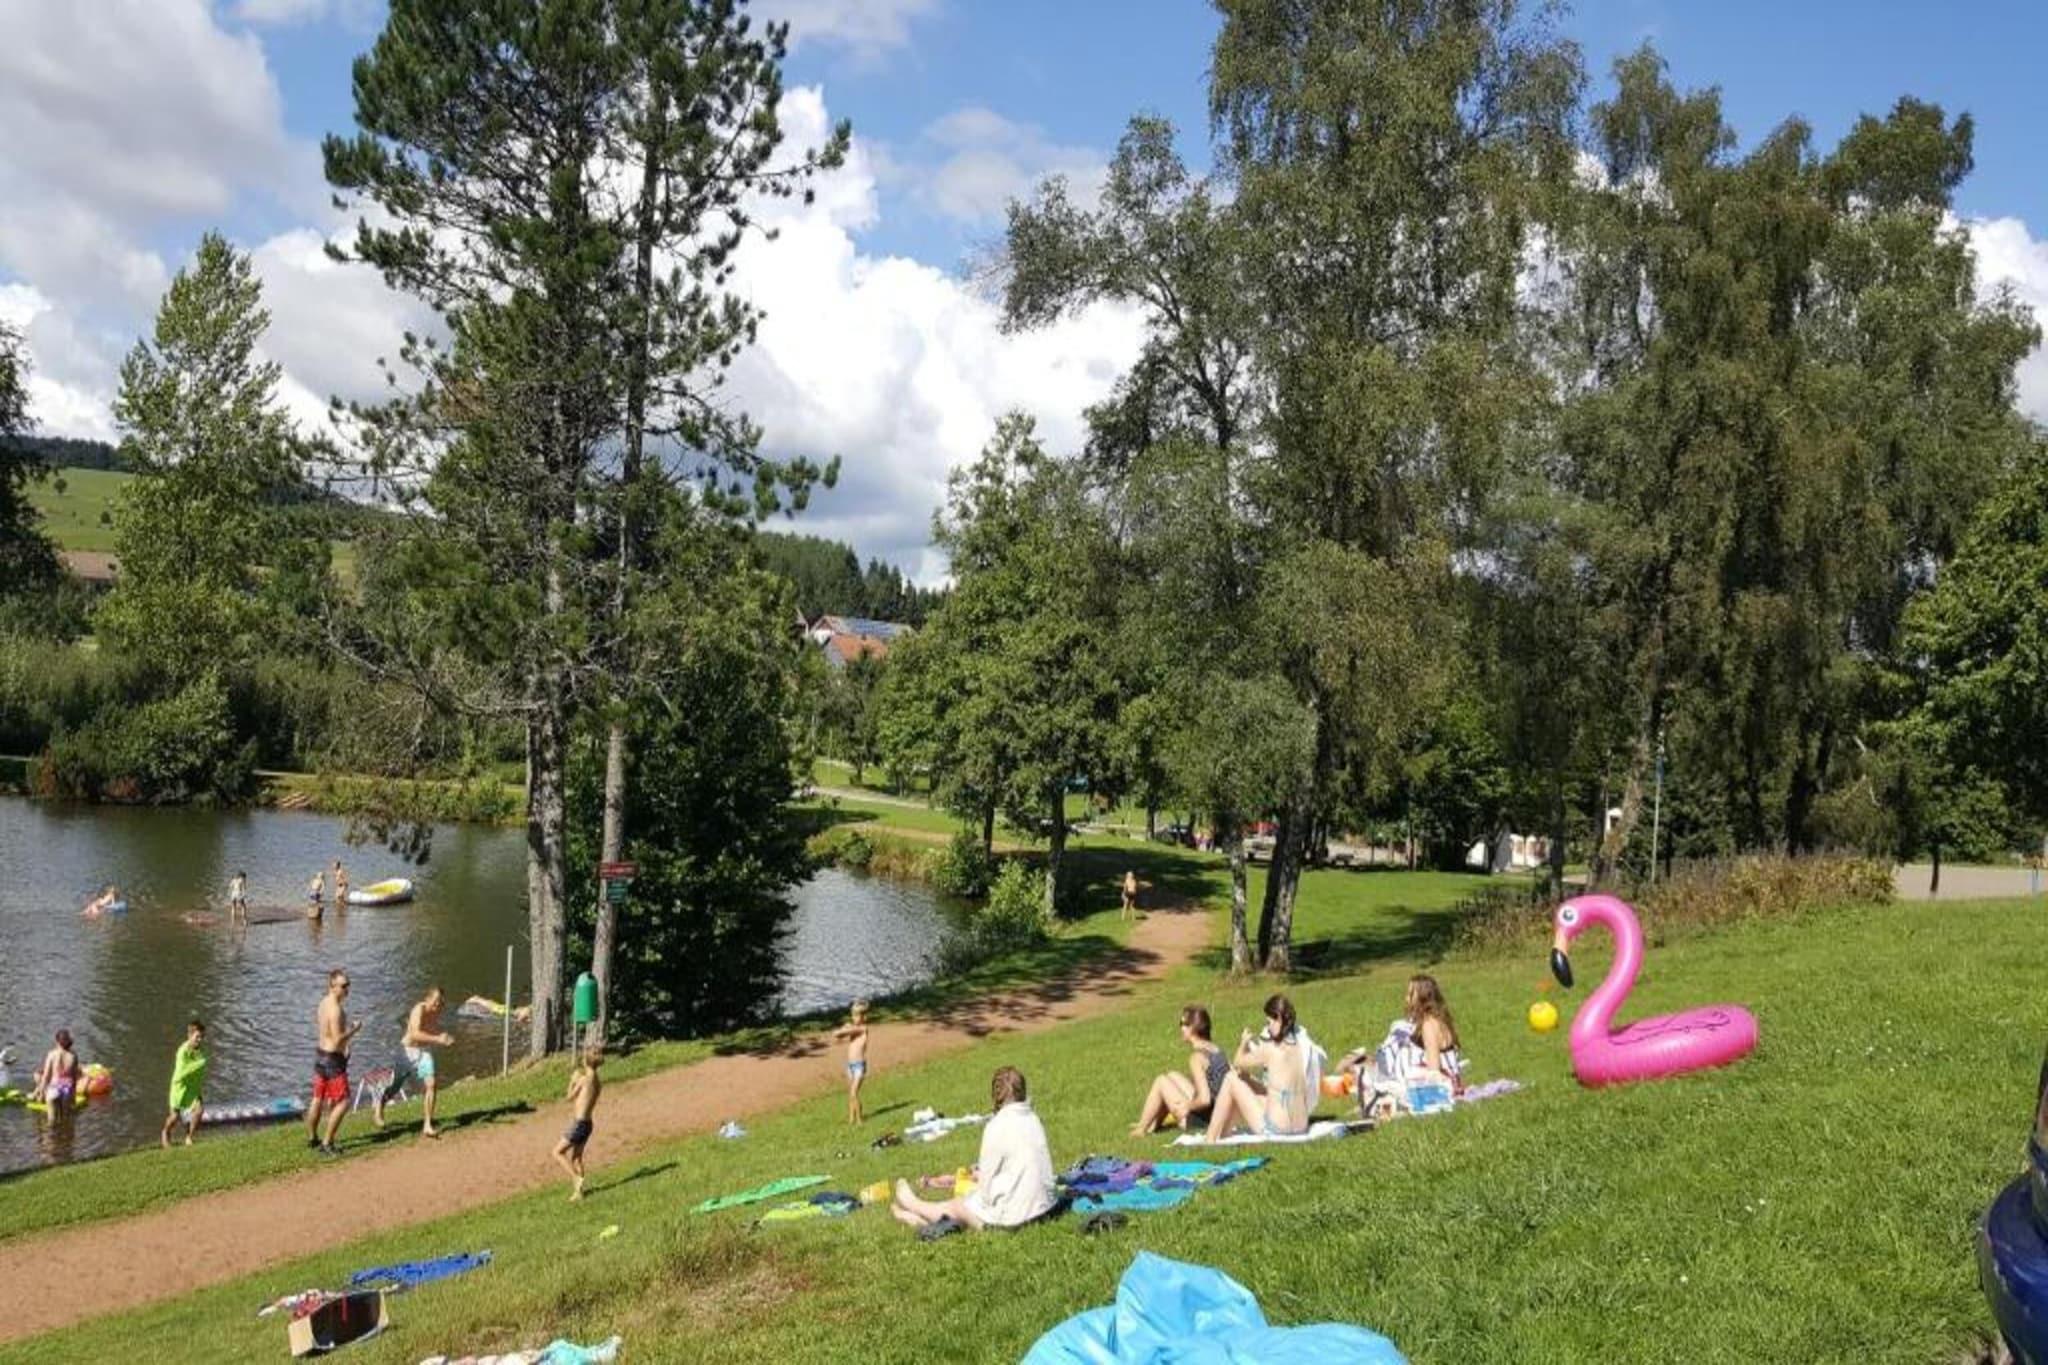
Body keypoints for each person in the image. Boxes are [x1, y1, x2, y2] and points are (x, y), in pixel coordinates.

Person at [892, 1066, 1056, 1234]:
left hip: (1014, 1220)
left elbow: (986, 1190)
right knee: (969, 1202)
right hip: (1045, 1209)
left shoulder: (996, 1126)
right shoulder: (1033, 1118)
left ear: (995, 1096)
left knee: (959, 1205)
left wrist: (976, 1183)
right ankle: (916, 1219)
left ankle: (914, 1205)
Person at [1205, 994, 1312, 1141]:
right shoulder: (1299, 1047)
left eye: (1269, 1022)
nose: (1268, 1028)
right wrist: (1249, 1080)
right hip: (1300, 1127)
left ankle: (1209, 1138)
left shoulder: (1271, 1049)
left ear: (1279, 1019)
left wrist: (1243, 1043)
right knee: (1245, 1080)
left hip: (1277, 1130)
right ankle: (1224, 1134)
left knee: (1231, 1078)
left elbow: (1237, 1062)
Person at [1130, 1004, 1230, 1136]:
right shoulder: (1216, 1049)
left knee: (1161, 1081)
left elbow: (1205, 1099)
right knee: (1172, 1075)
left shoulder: (1197, 1057)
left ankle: (1141, 1129)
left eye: (1183, 1023)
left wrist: (1187, 1106)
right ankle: (1152, 1124)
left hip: (1202, 1122)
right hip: (1218, 1113)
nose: (1181, 1028)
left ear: (1193, 1028)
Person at [373, 985, 454, 1136]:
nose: (438, 1004)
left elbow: (432, 1027)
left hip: (424, 1053)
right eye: (436, 1000)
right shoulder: (419, 1009)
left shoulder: (437, 1011)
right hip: (407, 1053)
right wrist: (437, 1039)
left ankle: (427, 1125)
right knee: (395, 1086)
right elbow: (415, 1034)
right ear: (427, 998)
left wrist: (444, 1036)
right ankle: (380, 1105)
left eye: (441, 1002)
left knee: (431, 1084)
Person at [306, 969, 361, 1157]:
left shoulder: (323, 1003)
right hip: (332, 1061)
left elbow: (324, 1029)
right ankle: (327, 1143)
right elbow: (337, 1040)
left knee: (317, 1098)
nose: (347, 989)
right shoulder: (336, 1009)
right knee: (344, 1101)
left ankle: (312, 1138)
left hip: (320, 1055)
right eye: (343, 986)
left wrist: (343, 1045)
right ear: (332, 986)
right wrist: (354, 1030)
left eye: (348, 985)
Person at [552, 1045, 603, 1201]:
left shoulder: (583, 1080)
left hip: (579, 1124)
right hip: (588, 1124)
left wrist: (572, 1081)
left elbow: (569, 1097)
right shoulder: (597, 1081)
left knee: (557, 1152)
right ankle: (579, 1193)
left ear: (585, 1061)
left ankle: (576, 1178)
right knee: (577, 1158)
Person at [162, 1019, 208, 1148]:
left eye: (202, 1037)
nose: (200, 1040)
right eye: (197, 1037)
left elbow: (200, 1069)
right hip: (179, 1087)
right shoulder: (182, 1052)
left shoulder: (200, 1051)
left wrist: (198, 1087)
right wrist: (200, 1064)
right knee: (174, 1117)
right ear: (189, 1035)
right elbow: (183, 1071)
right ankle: (165, 1132)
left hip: (192, 1088)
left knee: (199, 1110)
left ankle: (189, 1137)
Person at [833, 1000, 871, 1125]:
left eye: (857, 1015)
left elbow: (845, 1032)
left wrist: (843, 1029)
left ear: (864, 1017)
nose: (854, 1018)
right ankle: (851, 1119)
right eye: (853, 1015)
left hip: (859, 1065)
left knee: (854, 1093)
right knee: (851, 1094)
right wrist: (841, 1031)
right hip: (850, 1065)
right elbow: (838, 1036)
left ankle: (860, 1120)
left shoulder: (863, 1028)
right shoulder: (852, 1027)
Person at [30, 1030, 81, 1106]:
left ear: (57, 1041)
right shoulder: (73, 1055)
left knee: (38, 1076)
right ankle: (36, 1094)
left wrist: (41, 1094)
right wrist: (73, 1096)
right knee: (66, 1114)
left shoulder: (52, 1054)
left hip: (54, 1089)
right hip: (66, 1089)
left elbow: (46, 1076)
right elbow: (74, 1078)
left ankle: (36, 1095)